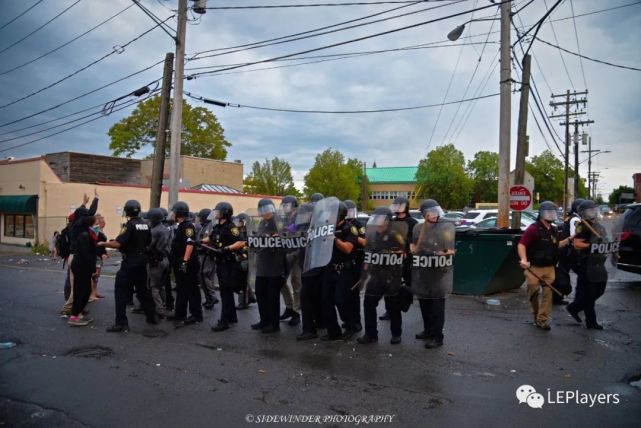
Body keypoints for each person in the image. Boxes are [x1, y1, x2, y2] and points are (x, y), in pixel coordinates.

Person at [100, 200, 157, 333]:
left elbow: (119, 244)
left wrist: (103, 244)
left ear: (127, 212)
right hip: (142, 260)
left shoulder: (129, 225)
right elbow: (148, 241)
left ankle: (121, 323)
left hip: (130, 261)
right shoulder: (145, 224)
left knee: (120, 291)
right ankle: (152, 316)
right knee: (143, 290)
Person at [517, 201, 570, 331]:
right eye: (548, 212)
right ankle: (536, 315)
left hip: (549, 268)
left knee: (548, 294)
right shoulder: (533, 229)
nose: (551, 215)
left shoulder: (554, 230)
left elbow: (557, 244)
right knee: (533, 292)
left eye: (553, 212)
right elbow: (521, 244)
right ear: (541, 214)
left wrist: (570, 239)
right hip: (534, 268)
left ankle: (543, 320)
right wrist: (523, 259)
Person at [357, 207, 407, 345]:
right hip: (376, 275)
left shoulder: (395, 235)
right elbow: (368, 253)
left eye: (380, 218)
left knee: (393, 306)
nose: (377, 221)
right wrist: (365, 271)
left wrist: (393, 253)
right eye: (376, 218)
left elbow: (404, 254)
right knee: (368, 303)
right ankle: (371, 334)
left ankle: (396, 334)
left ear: (387, 221)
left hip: (392, 275)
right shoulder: (372, 235)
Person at [410, 199, 455, 349]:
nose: (435, 215)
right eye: (431, 212)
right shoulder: (418, 228)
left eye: (436, 211)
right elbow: (413, 245)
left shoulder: (445, 228)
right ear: (425, 214)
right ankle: (428, 330)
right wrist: (414, 249)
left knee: (437, 305)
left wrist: (436, 253)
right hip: (423, 270)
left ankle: (437, 336)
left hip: (438, 272)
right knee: (424, 302)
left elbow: (451, 250)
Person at [566, 200, 612, 330]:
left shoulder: (599, 226)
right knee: (590, 294)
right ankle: (591, 322)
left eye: (594, 209)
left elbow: (605, 241)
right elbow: (577, 244)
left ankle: (574, 307)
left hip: (599, 263)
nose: (593, 212)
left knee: (600, 290)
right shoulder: (583, 226)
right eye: (590, 210)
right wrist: (592, 246)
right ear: (583, 213)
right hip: (587, 264)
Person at [321, 201, 359, 341]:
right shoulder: (326, 228)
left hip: (345, 269)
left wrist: (334, 239)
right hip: (329, 268)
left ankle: (350, 326)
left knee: (341, 300)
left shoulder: (349, 229)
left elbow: (348, 248)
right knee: (325, 301)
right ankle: (333, 331)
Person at [207, 202, 246, 332]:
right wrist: (198, 241)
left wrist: (227, 248)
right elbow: (211, 238)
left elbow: (241, 242)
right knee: (226, 291)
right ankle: (232, 317)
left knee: (225, 292)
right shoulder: (218, 227)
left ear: (225, 213)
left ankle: (224, 321)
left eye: (218, 211)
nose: (216, 213)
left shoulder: (231, 227)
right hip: (220, 262)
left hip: (229, 263)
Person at [60, 190, 99, 317]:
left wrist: (83, 203)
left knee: (77, 285)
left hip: (74, 257)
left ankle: (76, 307)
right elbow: (90, 214)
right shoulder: (78, 226)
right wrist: (96, 199)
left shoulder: (74, 224)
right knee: (77, 286)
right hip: (77, 257)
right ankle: (68, 308)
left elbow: (84, 213)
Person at [251, 198, 286, 334]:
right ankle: (264, 320)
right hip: (262, 264)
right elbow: (258, 238)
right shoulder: (262, 223)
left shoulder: (278, 222)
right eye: (262, 210)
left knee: (272, 297)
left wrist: (276, 237)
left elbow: (285, 238)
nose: (265, 213)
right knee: (261, 294)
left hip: (275, 264)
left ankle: (274, 324)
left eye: (266, 210)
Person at [380, 196, 417, 321]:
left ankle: (406, 302)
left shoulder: (412, 222)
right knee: (389, 284)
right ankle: (389, 310)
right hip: (391, 258)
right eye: (396, 205)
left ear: (405, 207)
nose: (397, 207)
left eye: (400, 205)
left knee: (409, 283)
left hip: (406, 257)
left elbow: (413, 241)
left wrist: (405, 248)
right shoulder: (392, 221)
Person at [167, 201, 203, 326]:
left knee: (191, 289)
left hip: (188, 263)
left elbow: (189, 244)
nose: (172, 214)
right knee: (181, 288)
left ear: (179, 214)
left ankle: (196, 315)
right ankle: (180, 313)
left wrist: (184, 261)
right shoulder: (180, 226)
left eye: (174, 212)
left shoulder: (188, 227)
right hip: (180, 262)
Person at [67, 216, 98, 327]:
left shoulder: (85, 234)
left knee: (79, 290)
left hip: (81, 265)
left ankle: (76, 314)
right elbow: (86, 254)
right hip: (82, 266)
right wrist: (92, 269)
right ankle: (74, 316)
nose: (97, 225)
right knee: (84, 291)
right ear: (91, 223)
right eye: (96, 222)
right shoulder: (85, 235)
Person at [555, 198, 585, 305]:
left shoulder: (570, 218)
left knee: (563, 273)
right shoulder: (575, 220)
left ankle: (557, 297)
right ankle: (580, 299)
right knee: (583, 274)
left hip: (565, 251)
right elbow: (575, 235)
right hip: (571, 252)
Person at [279, 195, 302, 326]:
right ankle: (289, 306)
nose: (284, 207)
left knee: (296, 282)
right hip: (285, 253)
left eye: (286, 205)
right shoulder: (284, 219)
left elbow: (301, 237)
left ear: (293, 205)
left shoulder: (300, 218)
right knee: (281, 280)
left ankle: (296, 312)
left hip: (297, 254)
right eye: (283, 205)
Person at [343, 200, 365, 332]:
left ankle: (357, 321)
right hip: (343, 262)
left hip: (356, 262)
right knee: (344, 294)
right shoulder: (341, 224)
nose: (349, 214)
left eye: (351, 211)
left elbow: (364, 241)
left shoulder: (358, 224)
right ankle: (349, 320)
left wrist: (351, 238)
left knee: (354, 295)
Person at [146, 208, 171, 318]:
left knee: (154, 287)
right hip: (165, 259)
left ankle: (160, 309)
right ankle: (165, 305)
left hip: (156, 260)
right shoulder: (166, 229)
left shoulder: (154, 231)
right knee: (161, 286)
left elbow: (149, 246)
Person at [196, 208, 218, 310]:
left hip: (207, 254)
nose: (199, 219)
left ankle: (212, 296)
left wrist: (199, 245)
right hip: (205, 254)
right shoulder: (204, 226)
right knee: (208, 277)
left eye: (201, 217)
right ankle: (209, 299)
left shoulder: (210, 227)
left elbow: (207, 241)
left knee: (203, 275)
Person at [233, 213, 256, 309]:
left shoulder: (249, 232)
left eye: (239, 221)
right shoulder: (238, 231)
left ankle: (243, 302)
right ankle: (250, 297)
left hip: (246, 258)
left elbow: (250, 246)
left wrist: (243, 255)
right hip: (239, 257)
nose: (237, 223)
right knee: (242, 279)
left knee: (242, 280)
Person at [89, 214, 107, 302]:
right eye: (102, 221)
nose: (104, 223)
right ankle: (91, 294)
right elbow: (95, 242)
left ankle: (95, 292)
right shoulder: (95, 230)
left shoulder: (100, 230)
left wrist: (105, 252)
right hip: (96, 255)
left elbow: (102, 243)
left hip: (100, 255)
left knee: (97, 276)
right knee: (94, 275)